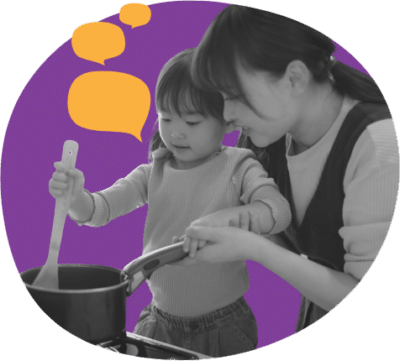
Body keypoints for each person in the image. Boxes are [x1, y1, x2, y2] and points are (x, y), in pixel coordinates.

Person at [48, 48, 291, 357]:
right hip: (159, 322)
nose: (175, 132)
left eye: (192, 121)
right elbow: (99, 211)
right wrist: (75, 198)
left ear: (228, 122)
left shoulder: (240, 166)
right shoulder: (154, 171)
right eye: (165, 117)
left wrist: (242, 215)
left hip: (224, 326)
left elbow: (278, 212)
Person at [181, 4, 399, 333]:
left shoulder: (378, 145)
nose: (225, 115)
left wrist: (252, 246)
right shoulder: (265, 136)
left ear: (294, 78)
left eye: (235, 95)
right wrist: (249, 221)